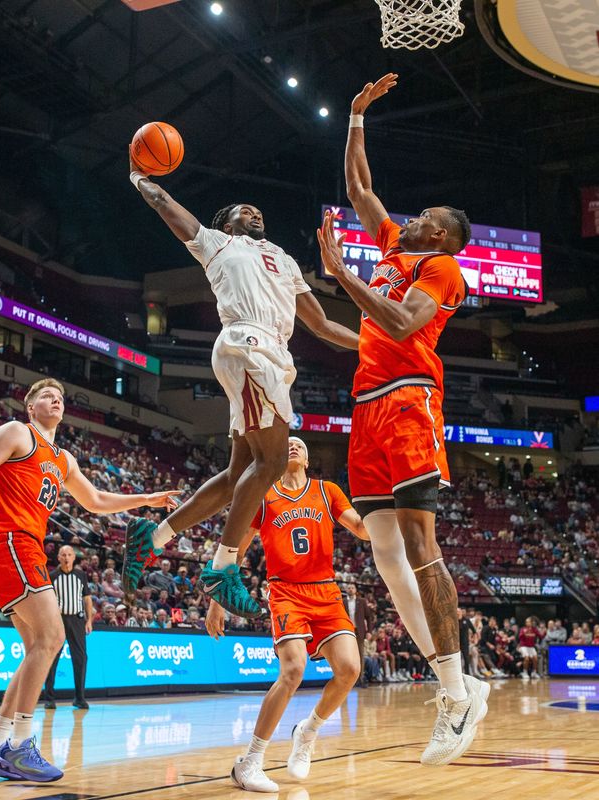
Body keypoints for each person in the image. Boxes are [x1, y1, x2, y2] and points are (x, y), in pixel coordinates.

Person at [316, 73, 488, 766]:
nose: (406, 215)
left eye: (421, 214)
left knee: (422, 546)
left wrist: (342, 277)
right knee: (386, 560)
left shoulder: (442, 268)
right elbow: (360, 189)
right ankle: (461, 684)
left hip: (410, 399)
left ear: (441, 232)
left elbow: (398, 318)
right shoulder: (393, 247)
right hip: (365, 406)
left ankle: (453, 693)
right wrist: (355, 117)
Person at [124, 160, 358, 618]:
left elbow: (324, 324)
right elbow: (166, 205)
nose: (255, 215)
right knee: (273, 462)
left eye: (258, 212)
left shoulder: (287, 261)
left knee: (239, 476)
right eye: (244, 211)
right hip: (247, 343)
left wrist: (374, 345)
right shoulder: (216, 244)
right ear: (225, 223)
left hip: (272, 353)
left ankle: (151, 538)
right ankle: (222, 567)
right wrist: (140, 178)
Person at [0, 378, 179, 782]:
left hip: (28, 549)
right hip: (9, 540)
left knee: (36, 650)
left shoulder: (64, 459)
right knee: (52, 637)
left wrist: (145, 500)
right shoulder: (16, 432)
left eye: (59, 395)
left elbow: (95, 501)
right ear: (30, 407)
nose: (55, 398)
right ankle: (21, 747)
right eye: (45, 394)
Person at [206, 437, 368, 792]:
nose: (293, 446)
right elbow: (237, 547)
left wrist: (389, 517)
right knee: (293, 670)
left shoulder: (327, 491)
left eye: (300, 445)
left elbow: (361, 527)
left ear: (308, 459)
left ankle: (307, 731)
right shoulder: (263, 496)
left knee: (350, 669)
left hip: (325, 590)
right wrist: (218, 598)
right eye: (288, 443)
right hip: (286, 592)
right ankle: (249, 762)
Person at [43, 545, 94, 711]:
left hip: (77, 620)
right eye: (63, 554)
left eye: (69, 554)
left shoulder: (81, 575)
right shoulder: (52, 576)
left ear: (74, 557)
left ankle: (79, 698)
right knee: (52, 659)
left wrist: (89, 621)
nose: (66, 557)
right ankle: (49, 698)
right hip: (57, 620)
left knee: (80, 658)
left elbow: (87, 599)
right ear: (58, 557)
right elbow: (47, 601)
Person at [342, 583, 371, 686]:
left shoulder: (362, 601)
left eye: (352, 588)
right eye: (348, 588)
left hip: (359, 631)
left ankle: (361, 678)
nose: (350, 589)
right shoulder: (343, 602)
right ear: (346, 590)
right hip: (347, 631)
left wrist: (369, 632)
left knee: (360, 655)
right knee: (347, 656)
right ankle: (348, 679)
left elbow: (368, 617)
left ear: (355, 590)